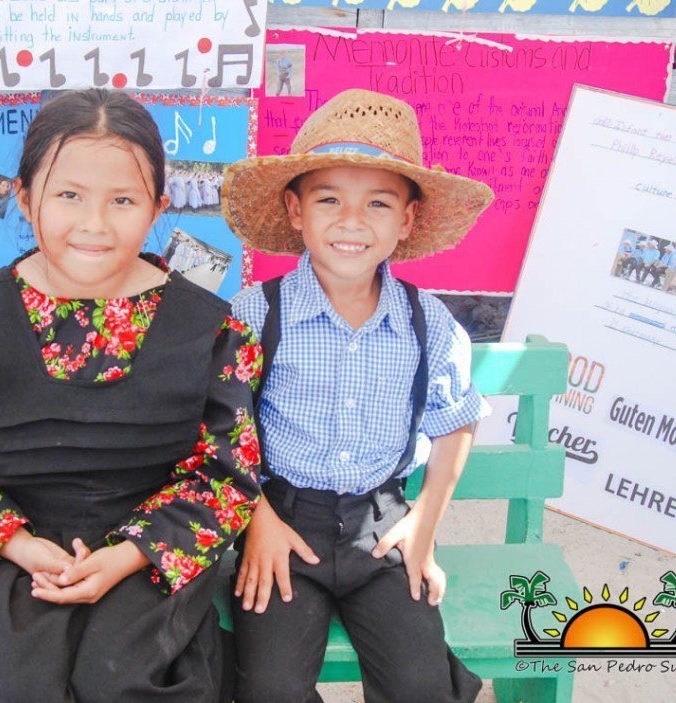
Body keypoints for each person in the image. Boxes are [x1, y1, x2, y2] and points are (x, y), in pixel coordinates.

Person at [0, 88, 263, 703]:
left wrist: (126, 556)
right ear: (26, 198)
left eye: (122, 200)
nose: (94, 224)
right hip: (9, 553)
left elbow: (226, 478)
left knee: (124, 684)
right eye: (69, 195)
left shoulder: (211, 332)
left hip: (149, 559)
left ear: (158, 206)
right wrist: (19, 545)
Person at [220, 89, 494, 703]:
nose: (352, 221)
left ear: (407, 220)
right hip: (283, 525)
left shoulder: (428, 324)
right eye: (328, 199)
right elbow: (222, 428)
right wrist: (258, 521)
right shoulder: (254, 314)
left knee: (421, 685)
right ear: (295, 210)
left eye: (378, 203)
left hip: (383, 527)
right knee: (268, 688)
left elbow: (456, 423)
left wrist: (423, 525)